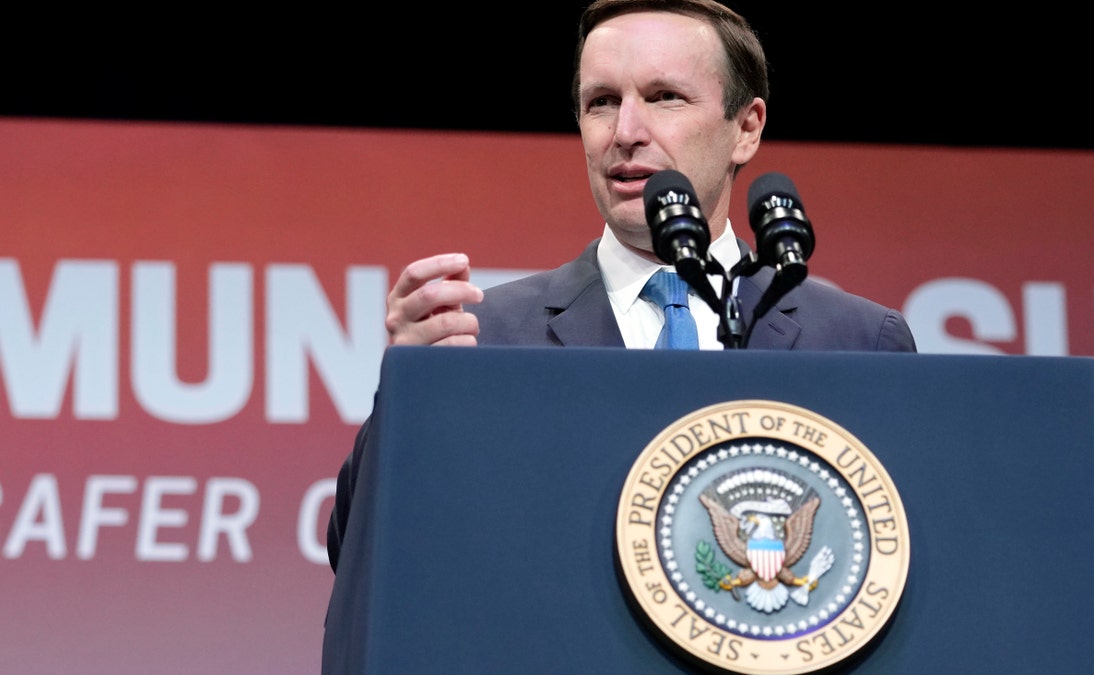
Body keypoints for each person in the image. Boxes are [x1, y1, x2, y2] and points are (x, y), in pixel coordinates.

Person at [325, 0, 917, 572]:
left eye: (664, 97)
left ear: (746, 128)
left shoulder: (858, 341)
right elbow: (360, 554)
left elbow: (902, 561)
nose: (625, 132)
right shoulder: (485, 338)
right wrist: (408, 397)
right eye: (602, 102)